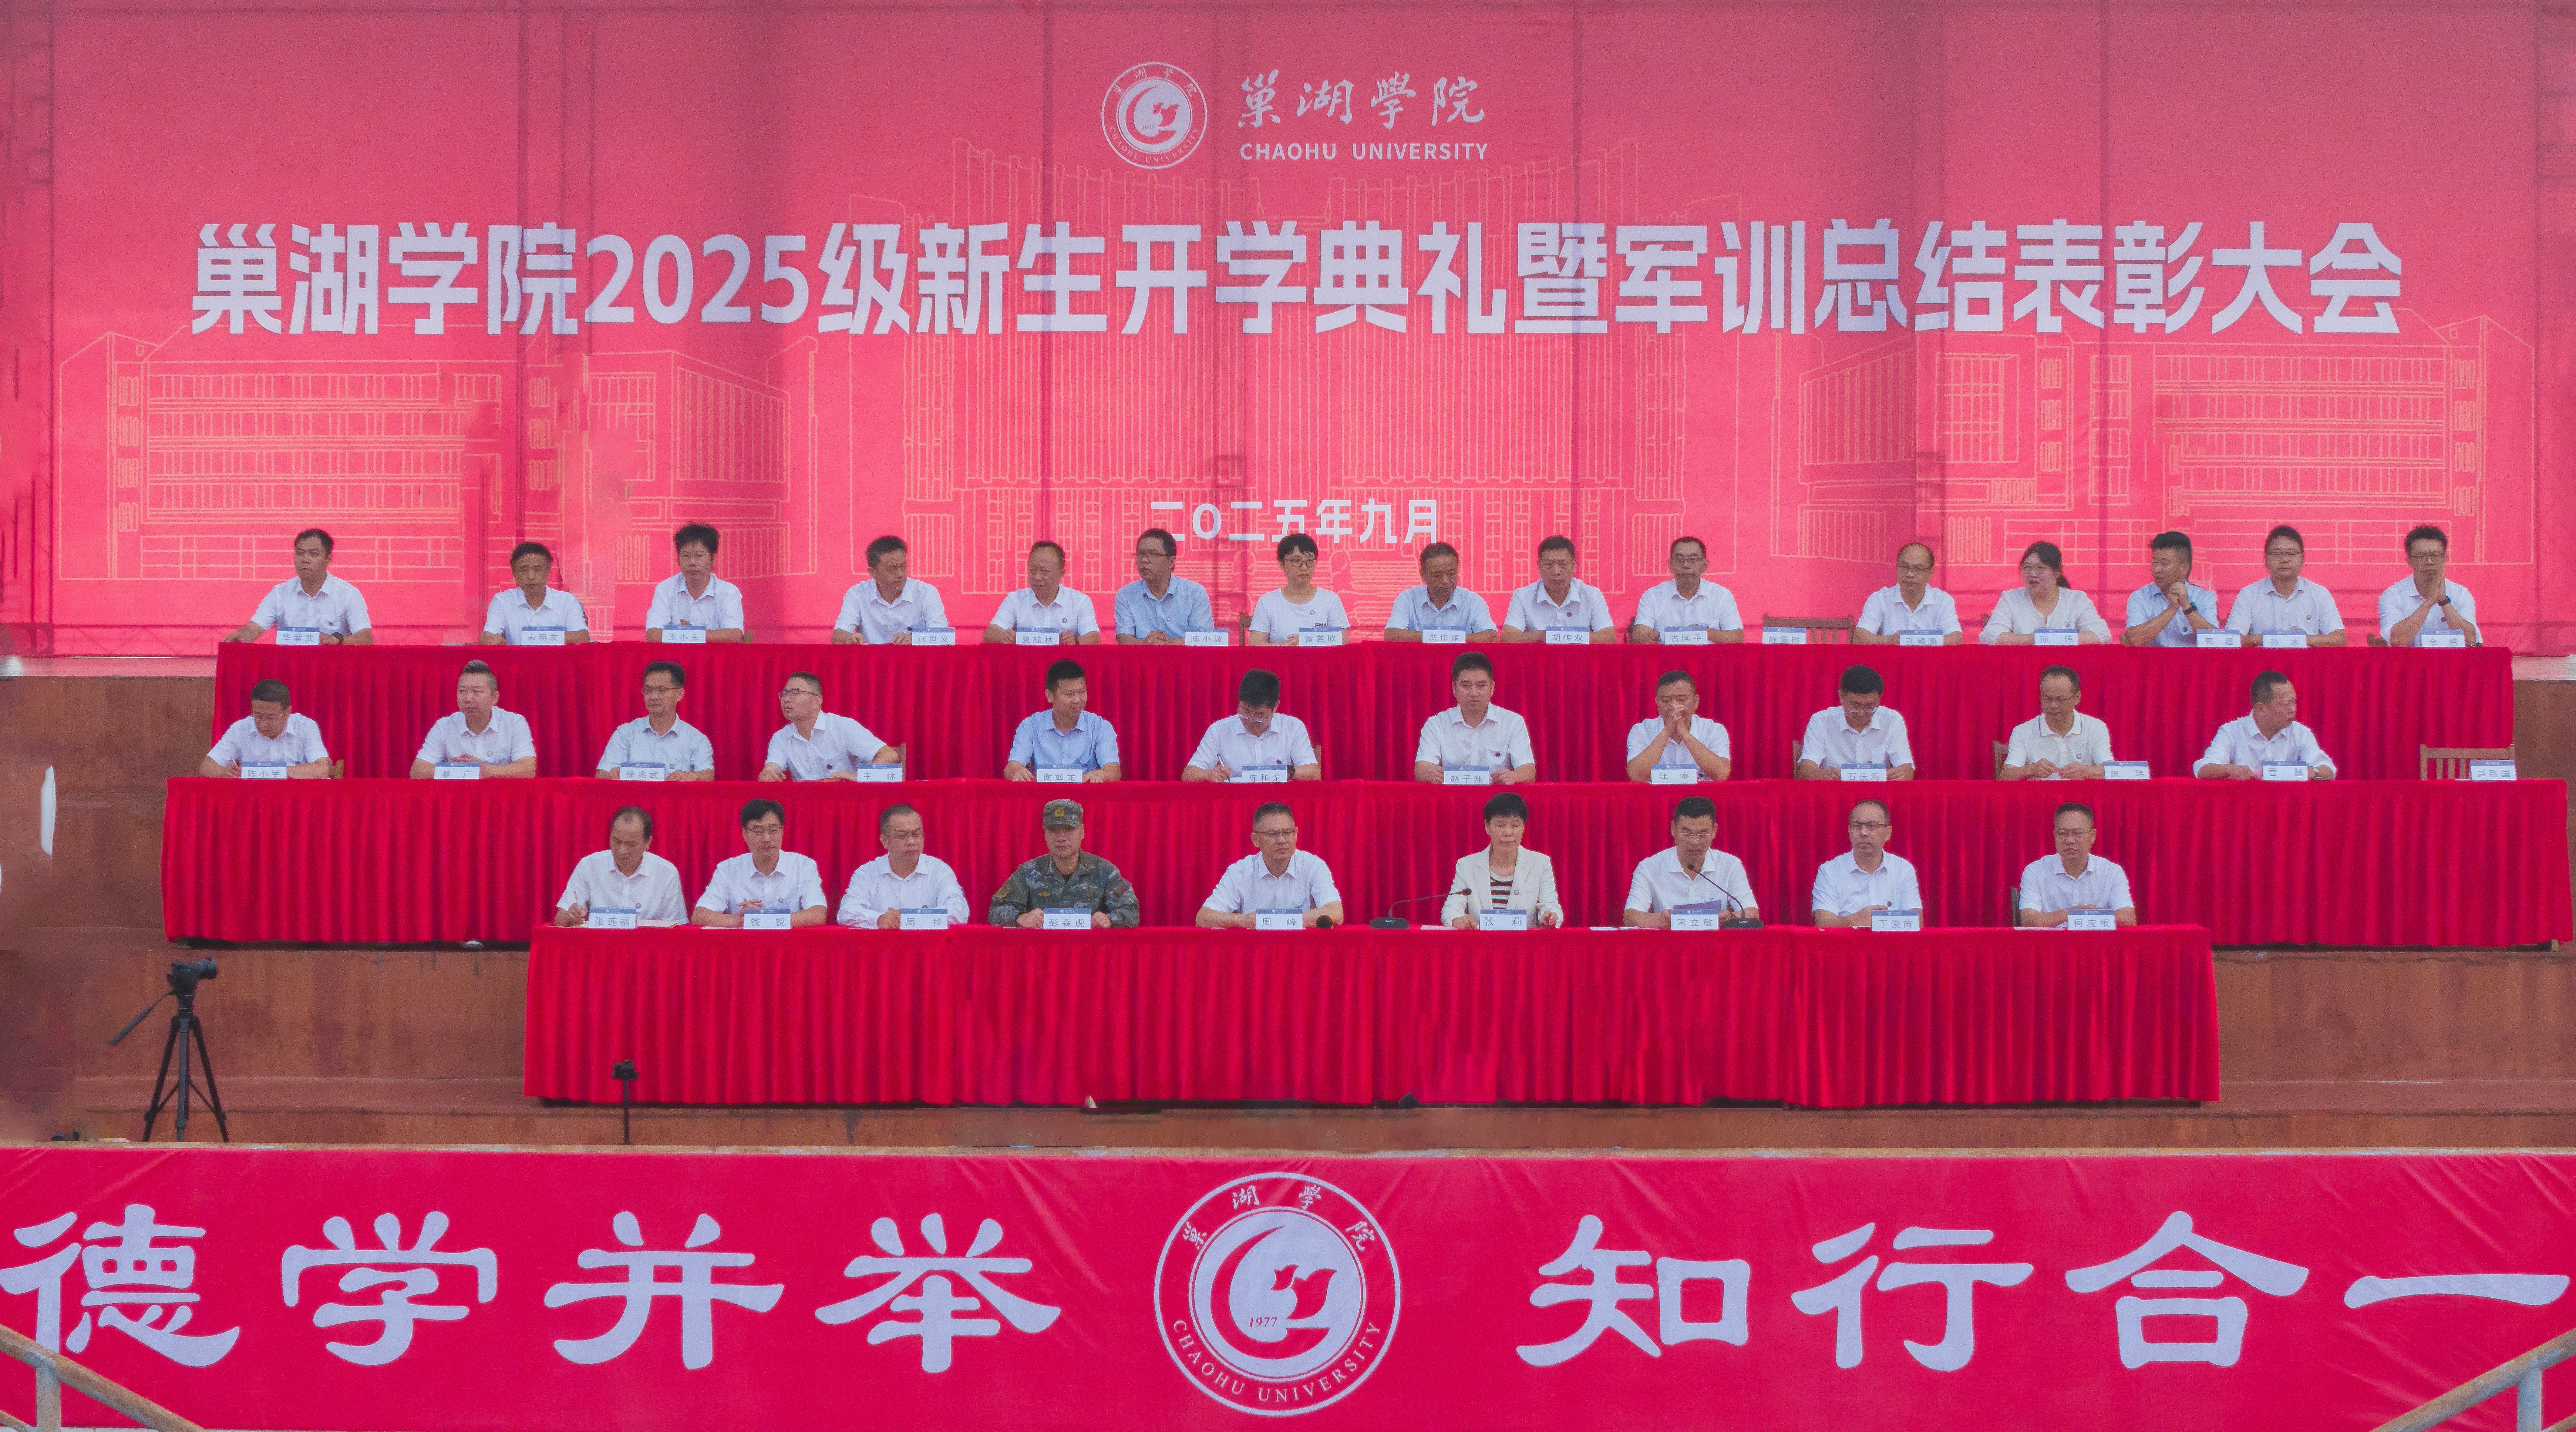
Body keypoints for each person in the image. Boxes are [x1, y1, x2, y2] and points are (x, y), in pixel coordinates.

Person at [988, 799, 1142, 928]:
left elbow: (1131, 912)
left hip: (1088, 950)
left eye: (1068, 830)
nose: (1061, 838)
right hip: (1043, 950)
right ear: (1045, 833)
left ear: (1082, 831)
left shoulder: (1105, 871)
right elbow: (996, 911)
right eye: (1054, 830)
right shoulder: (1029, 871)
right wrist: (1020, 918)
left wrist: (1109, 919)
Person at [1196, 802, 1346, 928]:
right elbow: (1204, 918)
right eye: (1273, 834)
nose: (1282, 840)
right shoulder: (1240, 871)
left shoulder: (1313, 866)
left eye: (1287, 833)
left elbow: (1335, 913)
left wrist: (1275, 921)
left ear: (1296, 835)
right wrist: (1244, 920)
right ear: (1256, 840)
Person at [1622, 796, 1759, 927]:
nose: (1694, 842)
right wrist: (1659, 920)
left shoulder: (1730, 865)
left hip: (1714, 941)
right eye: (1687, 834)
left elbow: (1752, 912)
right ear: (1674, 829)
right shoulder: (1649, 867)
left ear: (1714, 831)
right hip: (1669, 941)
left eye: (1703, 834)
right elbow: (1631, 916)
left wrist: (1731, 917)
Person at [693, 799, 828, 927]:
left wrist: (761, 919)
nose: (767, 839)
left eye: (773, 830)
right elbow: (700, 915)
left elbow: (818, 914)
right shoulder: (728, 869)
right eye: (758, 831)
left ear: (782, 831)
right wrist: (740, 920)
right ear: (745, 834)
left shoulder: (803, 866)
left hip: (788, 942)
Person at [225, 528, 373, 644]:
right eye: (300, 554)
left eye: (314, 554)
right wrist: (240, 636)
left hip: (331, 667)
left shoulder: (348, 594)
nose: (305, 560)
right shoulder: (280, 593)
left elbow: (366, 639)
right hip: (290, 666)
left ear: (329, 560)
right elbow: (254, 628)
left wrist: (337, 640)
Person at [836, 804, 971, 928]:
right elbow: (847, 912)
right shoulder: (867, 873)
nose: (911, 842)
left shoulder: (940, 870)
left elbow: (958, 911)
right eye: (902, 836)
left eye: (916, 834)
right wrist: (878, 919)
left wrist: (914, 918)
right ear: (885, 841)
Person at [1441, 792, 1564, 928]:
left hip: (1523, 941)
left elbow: (1551, 906)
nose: (1508, 833)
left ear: (1524, 827)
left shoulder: (1540, 864)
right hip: (1483, 941)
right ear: (1487, 827)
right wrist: (1457, 919)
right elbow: (1451, 909)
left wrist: (1550, 917)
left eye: (1515, 826)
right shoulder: (1467, 865)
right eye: (1500, 825)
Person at [1414, 651, 1536, 783]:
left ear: (1492, 688)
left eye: (1481, 686)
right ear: (1454, 689)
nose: (1474, 693)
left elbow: (1528, 770)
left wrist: (1514, 776)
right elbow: (1422, 769)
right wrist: (1432, 773)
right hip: (1453, 794)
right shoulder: (1436, 724)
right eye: (1466, 686)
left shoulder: (1513, 722)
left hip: (1496, 794)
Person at [553, 807, 687, 927]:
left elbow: (675, 928)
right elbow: (560, 919)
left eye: (631, 844)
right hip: (601, 943)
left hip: (648, 945)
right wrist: (572, 914)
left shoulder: (666, 873)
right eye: (617, 842)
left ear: (648, 843)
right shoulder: (589, 866)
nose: (622, 851)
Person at [2194, 670, 2337, 780]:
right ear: (2261, 709)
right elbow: (2203, 770)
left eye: (2294, 702)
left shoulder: (2301, 733)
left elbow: (2328, 770)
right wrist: (2230, 769)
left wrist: (2312, 772)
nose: (2293, 709)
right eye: (2285, 705)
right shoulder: (2232, 732)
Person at [759, 671, 901, 780]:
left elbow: (889, 755)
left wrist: (858, 776)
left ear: (817, 702)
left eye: (795, 693)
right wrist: (768, 774)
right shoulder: (781, 737)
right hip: (806, 804)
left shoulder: (843, 727)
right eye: (784, 694)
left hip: (845, 801)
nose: (786, 699)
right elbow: (770, 769)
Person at [1183, 669, 1322, 781]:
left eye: (1260, 715)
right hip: (1236, 801)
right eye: (1246, 711)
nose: (1251, 720)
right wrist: (1209, 775)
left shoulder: (1293, 727)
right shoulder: (1219, 730)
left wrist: (1288, 772)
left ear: (1275, 707)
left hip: (1278, 801)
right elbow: (1189, 773)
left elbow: (1313, 772)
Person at [2224, 524, 2348, 646]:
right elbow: (2230, 639)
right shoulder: (2249, 594)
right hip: (2264, 660)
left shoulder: (2319, 593)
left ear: (2303, 559)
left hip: (2304, 659)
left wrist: (2306, 640)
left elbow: (2339, 639)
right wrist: (2263, 639)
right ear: (2266, 560)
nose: (2284, 560)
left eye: (2292, 553)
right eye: (2277, 553)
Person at [2018, 802, 2136, 927]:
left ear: (2093, 836)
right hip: (2052, 939)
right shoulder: (2035, 871)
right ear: (2055, 836)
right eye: (2063, 833)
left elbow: (2128, 918)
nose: (2070, 840)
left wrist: (2087, 914)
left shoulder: (2112, 872)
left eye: (2078, 833)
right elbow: (2028, 920)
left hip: (2096, 939)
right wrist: (2070, 914)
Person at [593, 660, 717, 780]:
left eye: (662, 690)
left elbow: (707, 774)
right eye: (648, 690)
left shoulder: (696, 739)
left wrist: (693, 776)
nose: (654, 697)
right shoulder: (625, 733)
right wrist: (611, 774)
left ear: (680, 694)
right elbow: (602, 773)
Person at [410, 660, 535, 777]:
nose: (468, 699)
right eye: (462, 691)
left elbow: (528, 770)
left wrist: (486, 771)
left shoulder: (514, 723)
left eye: (477, 692)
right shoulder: (444, 726)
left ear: (494, 698)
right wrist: (454, 769)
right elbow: (418, 771)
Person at [1811, 798, 1923, 928]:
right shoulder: (1830, 871)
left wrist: (1879, 921)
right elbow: (1823, 925)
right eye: (1857, 826)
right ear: (1849, 831)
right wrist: (1854, 920)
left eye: (1872, 826)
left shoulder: (1903, 869)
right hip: (1848, 941)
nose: (1863, 833)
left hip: (1892, 941)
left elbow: (1916, 922)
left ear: (1888, 833)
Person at [1004, 660, 1122, 781]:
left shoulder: (1100, 727)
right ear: (1050, 696)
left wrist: (1103, 775)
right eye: (1069, 694)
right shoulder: (1031, 726)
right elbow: (1012, 768)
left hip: (1085, 792)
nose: (1077, 700)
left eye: (1082, 692)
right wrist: (1017, 772)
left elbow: (1113, 770)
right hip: (1043, 793)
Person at [1795, 665, 1916, 780]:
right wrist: (1821, 774)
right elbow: (1806, 770)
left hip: (1878, 792)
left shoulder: (1892, 720)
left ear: (1880, 699)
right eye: (1854, 706)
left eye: (1870, 707)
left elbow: (1906, 769)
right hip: (1836, 791)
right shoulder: (1821, 721)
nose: (1862, 714)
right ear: (1841, 697)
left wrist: (1902, 773)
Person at [1982, 541, 2109, 643]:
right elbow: (1990, 636)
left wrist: (2052, 638)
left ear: (2057, 572)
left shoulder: (2077, 599)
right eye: (2027, 568)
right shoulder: (2011, 599)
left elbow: (2101, 634)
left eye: (2041, 568)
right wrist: (2033, 639)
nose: (2032, 574)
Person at [2000, 666, 2115, 780]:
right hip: (2040, 792)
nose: (2053, 705)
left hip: (2081, 792)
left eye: (2060, 700)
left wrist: (2085, 771)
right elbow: (2005, 777)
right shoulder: (2023, 732)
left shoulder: (2096, 728)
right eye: (2047, 699)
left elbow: (2112, 772)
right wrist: (2031, 769)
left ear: (2077, 698)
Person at [199, 678, 330, 777]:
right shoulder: (240, 729)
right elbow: (207, 766)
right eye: (258, 716)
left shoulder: (306, 727)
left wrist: (272, 772)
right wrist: (223, 772)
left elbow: (322, 770)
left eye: (271, 718)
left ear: (287, 713)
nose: (263, 724)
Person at [833, 534, 948, 644]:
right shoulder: (857, 594)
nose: (900, 574)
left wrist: (914, 639)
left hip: (913, 658)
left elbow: (943, 637)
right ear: (873, 573)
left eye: (903, 567)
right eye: (892, 569)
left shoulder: (926, 593)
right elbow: (838, 636)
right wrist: (849, 639)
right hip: (872, 658)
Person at [1628, 535, 1744, 643]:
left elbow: (1737, 638)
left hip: (1708, 658)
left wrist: (1703, 632)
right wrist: (1647, 636)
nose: (1686, 565)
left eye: (1693, 559)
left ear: (1705, 565)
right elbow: (1639, 634)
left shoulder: (1721, 595)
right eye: (1680, 559)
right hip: (1668, 658)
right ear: (1670, 564)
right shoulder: (1653, 596)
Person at [2381, 524, 2482, 646]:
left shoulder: (2461, 594)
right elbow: (2396, 641)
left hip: (2451, 659)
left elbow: (2471, 640)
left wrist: (2444, 601)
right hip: (2410, 659)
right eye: (2421, 556)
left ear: (2445, 558)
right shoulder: (2393, 595)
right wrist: (2429, 602)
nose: (2429, 562)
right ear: (2409, 561)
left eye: (2435, 556)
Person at [1502, 535, 1617, 642]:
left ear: (1574, 566)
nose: (1556, 572)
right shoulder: (1522, 596)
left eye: (1563, 564)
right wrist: (1541, 636)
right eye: (1549, 565)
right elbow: (1508, 638)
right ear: (1539, 566)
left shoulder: (1592, 595)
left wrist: (1567, 636)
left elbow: (1609, 638)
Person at [644, 522, 746, 642]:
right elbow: (653, 635)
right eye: (686, 556)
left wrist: (692, 633)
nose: (692, 562)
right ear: (679, 560)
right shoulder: (666, 589)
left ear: (713, 559)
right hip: (676, 655)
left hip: (714, 655)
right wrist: (694, 634)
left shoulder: (729, 592)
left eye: (699, 556)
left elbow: (735, 636)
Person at [984, 541, 1101, 643]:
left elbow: (1093, 637)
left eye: (1045, 572)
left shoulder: (1079, 601)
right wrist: (1005, 636)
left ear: (1061, 574)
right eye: (1033, 571)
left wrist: (1076, 641)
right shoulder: (1015, 600)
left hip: (1063, 662)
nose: (1037, 577)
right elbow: (990, 633)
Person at [1624, 670, 1731, 782]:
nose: (1674, 706)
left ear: (1696, 702)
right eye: (1666, 700)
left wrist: (1685, 734)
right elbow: (1636, 776)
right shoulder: (1641, 731)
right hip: (1656, 794)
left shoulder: (1714, 730)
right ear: (1658, 703)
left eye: (1682, 699)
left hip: (1701, 794)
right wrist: (1667, 731)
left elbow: (1721, 774)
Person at [1246, 532, 1351, 644]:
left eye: (1310, 561)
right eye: (1296, 561)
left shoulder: (1330, 599)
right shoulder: (1267, 602)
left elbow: (1343, 641)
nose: (1304, 567)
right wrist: (1285, 647)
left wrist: (1306, 640)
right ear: (1282, 565)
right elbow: (1255, 643)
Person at [2122, 531, 2222, 647]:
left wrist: (2187, 607)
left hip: (2192, 659)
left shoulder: (2204, 598)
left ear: (2184, 568)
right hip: (2154, 659)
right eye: (2154, 562)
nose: (2157, 569)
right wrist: (2171, 609)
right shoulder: (2140, 597)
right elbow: (2134, 640)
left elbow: (2215, 641)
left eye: (2165, 564)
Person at [1383, 542, 1498, 642]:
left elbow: (1491, 637)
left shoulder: (1473, 601)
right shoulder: (1408, 599)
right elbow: (1392, 634)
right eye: (1437, 575)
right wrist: (1447, 638)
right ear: (1423, 575)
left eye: (1451, 574)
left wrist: (1446, 638)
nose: (1446, 581)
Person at [481, 541, 591, 645]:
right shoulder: (502, 601)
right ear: (514, 573)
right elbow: (486, 637)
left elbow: (582, 636)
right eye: (524, 570)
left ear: (548, 571)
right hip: (518, 659)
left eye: (537, 570)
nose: (531, 576)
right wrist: (493, 640)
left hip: (557, 659)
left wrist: (541, 637)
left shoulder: (567, 601)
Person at [1114, 528, 1213, 643]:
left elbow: (1203, 639)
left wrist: (1168, 644)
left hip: (1184, 655)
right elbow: (1124, 640)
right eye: (1141, 554)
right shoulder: (1126, 595)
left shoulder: (1195, 593)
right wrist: (1147, 643)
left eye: (1153, 554)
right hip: (1142, 655)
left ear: (1171, 562)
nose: (1144, 560)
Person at [1853, 542, 1963, 643]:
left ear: (1930, 573)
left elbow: (1956, 639)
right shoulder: (1880, 598)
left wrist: (1918, 641)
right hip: (1892, 658)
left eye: (1918, 569)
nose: (1910, 574)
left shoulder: (1943, 600)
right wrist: (1890, 640)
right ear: (1897, 569)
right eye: (1905, 567)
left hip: (1930, 659)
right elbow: (1859, 638)